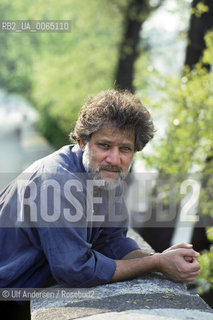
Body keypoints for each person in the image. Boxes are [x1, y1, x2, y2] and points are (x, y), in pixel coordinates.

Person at [0, 90, 200, 317]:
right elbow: (75, 269)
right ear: (84, 142)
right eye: (105, 146)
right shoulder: (57, 180)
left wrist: (162, 259)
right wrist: (155, 264)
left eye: (125, 149)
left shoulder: (105, 177)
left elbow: (112, 241)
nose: (114, 159)